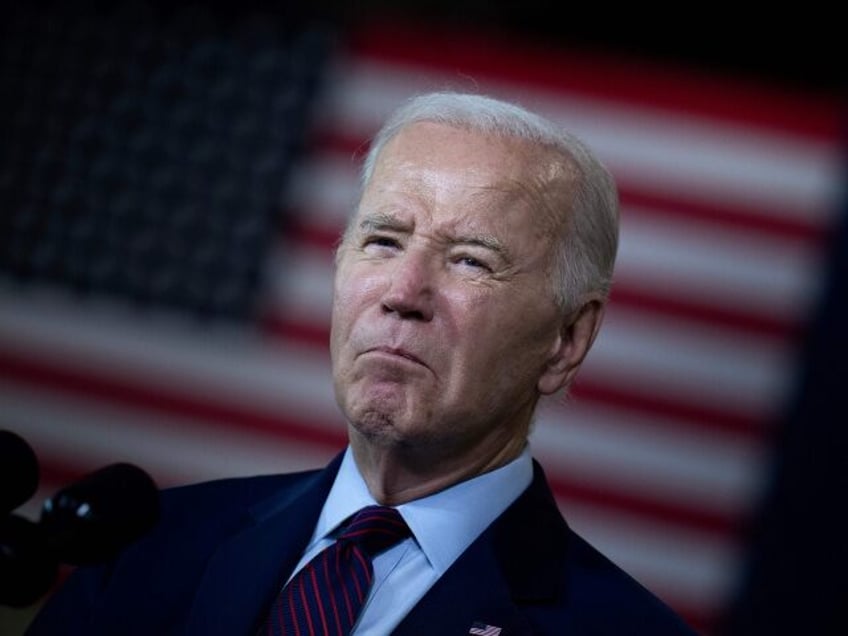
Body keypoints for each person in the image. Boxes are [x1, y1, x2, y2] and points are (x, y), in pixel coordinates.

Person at [26, 92, 696, 635]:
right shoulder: (148, 548)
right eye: (383, 240)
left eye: (470, 260)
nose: (403, 294)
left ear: (567, 340)